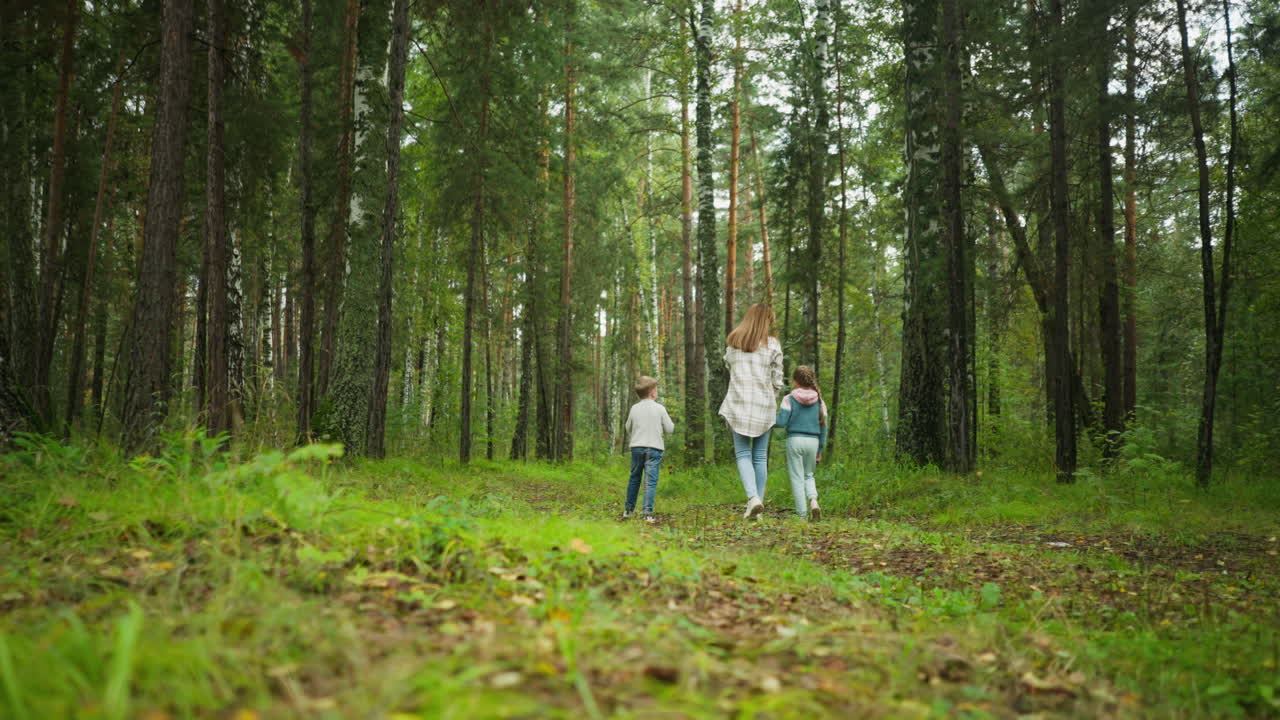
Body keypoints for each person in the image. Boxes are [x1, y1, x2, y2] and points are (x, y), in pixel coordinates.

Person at [718, 302, 784, 519]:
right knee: (759, 457)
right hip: (763, 405)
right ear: (766, 321)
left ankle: (752, 499)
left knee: (743, 453)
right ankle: (758, 506)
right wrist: (770, 395)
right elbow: (778, 380)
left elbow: (729, 367)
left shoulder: (733, 343)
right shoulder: (773, 345)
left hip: (738, 403)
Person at [774, 365, 827, 521]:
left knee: (797, 478)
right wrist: (820, 449)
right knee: (809, 475)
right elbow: (824, 427)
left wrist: (769, 419)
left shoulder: (789, 399)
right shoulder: (820, 401)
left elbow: (781, 422)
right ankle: (814, 501)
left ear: (795, 381)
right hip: (814, 441)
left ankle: (802, 516)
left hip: (795, 440)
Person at [623, 375, 674, 523]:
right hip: (654, 448)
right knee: (650, 481)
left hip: (637, 448)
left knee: (634, 478)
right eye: (656, 389)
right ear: (652, 392)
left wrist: (637, 435)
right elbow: (669, 429)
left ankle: (628, 511)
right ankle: (647, 513)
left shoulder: (634, 408)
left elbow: (628, 428)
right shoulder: (660, 408)